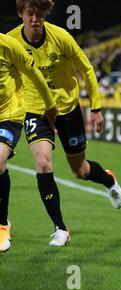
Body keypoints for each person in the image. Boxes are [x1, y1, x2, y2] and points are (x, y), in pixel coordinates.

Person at [7, 0, 121, 247]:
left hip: (67, 108)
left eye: (40, 14)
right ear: (20, 14)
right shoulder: (10, 41)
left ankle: (108, 179)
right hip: (35, 111)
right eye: (30, 13)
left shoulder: (61, 37)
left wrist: (97, 107)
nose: (35, 19)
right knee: (42, 161)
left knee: (79, 170)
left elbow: (87, 68)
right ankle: (61, 228)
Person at [0, 32, 57, 252]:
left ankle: (2, 225)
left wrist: (50, 105)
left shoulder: (9, 45)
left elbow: (34, 73)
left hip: (9, 116)